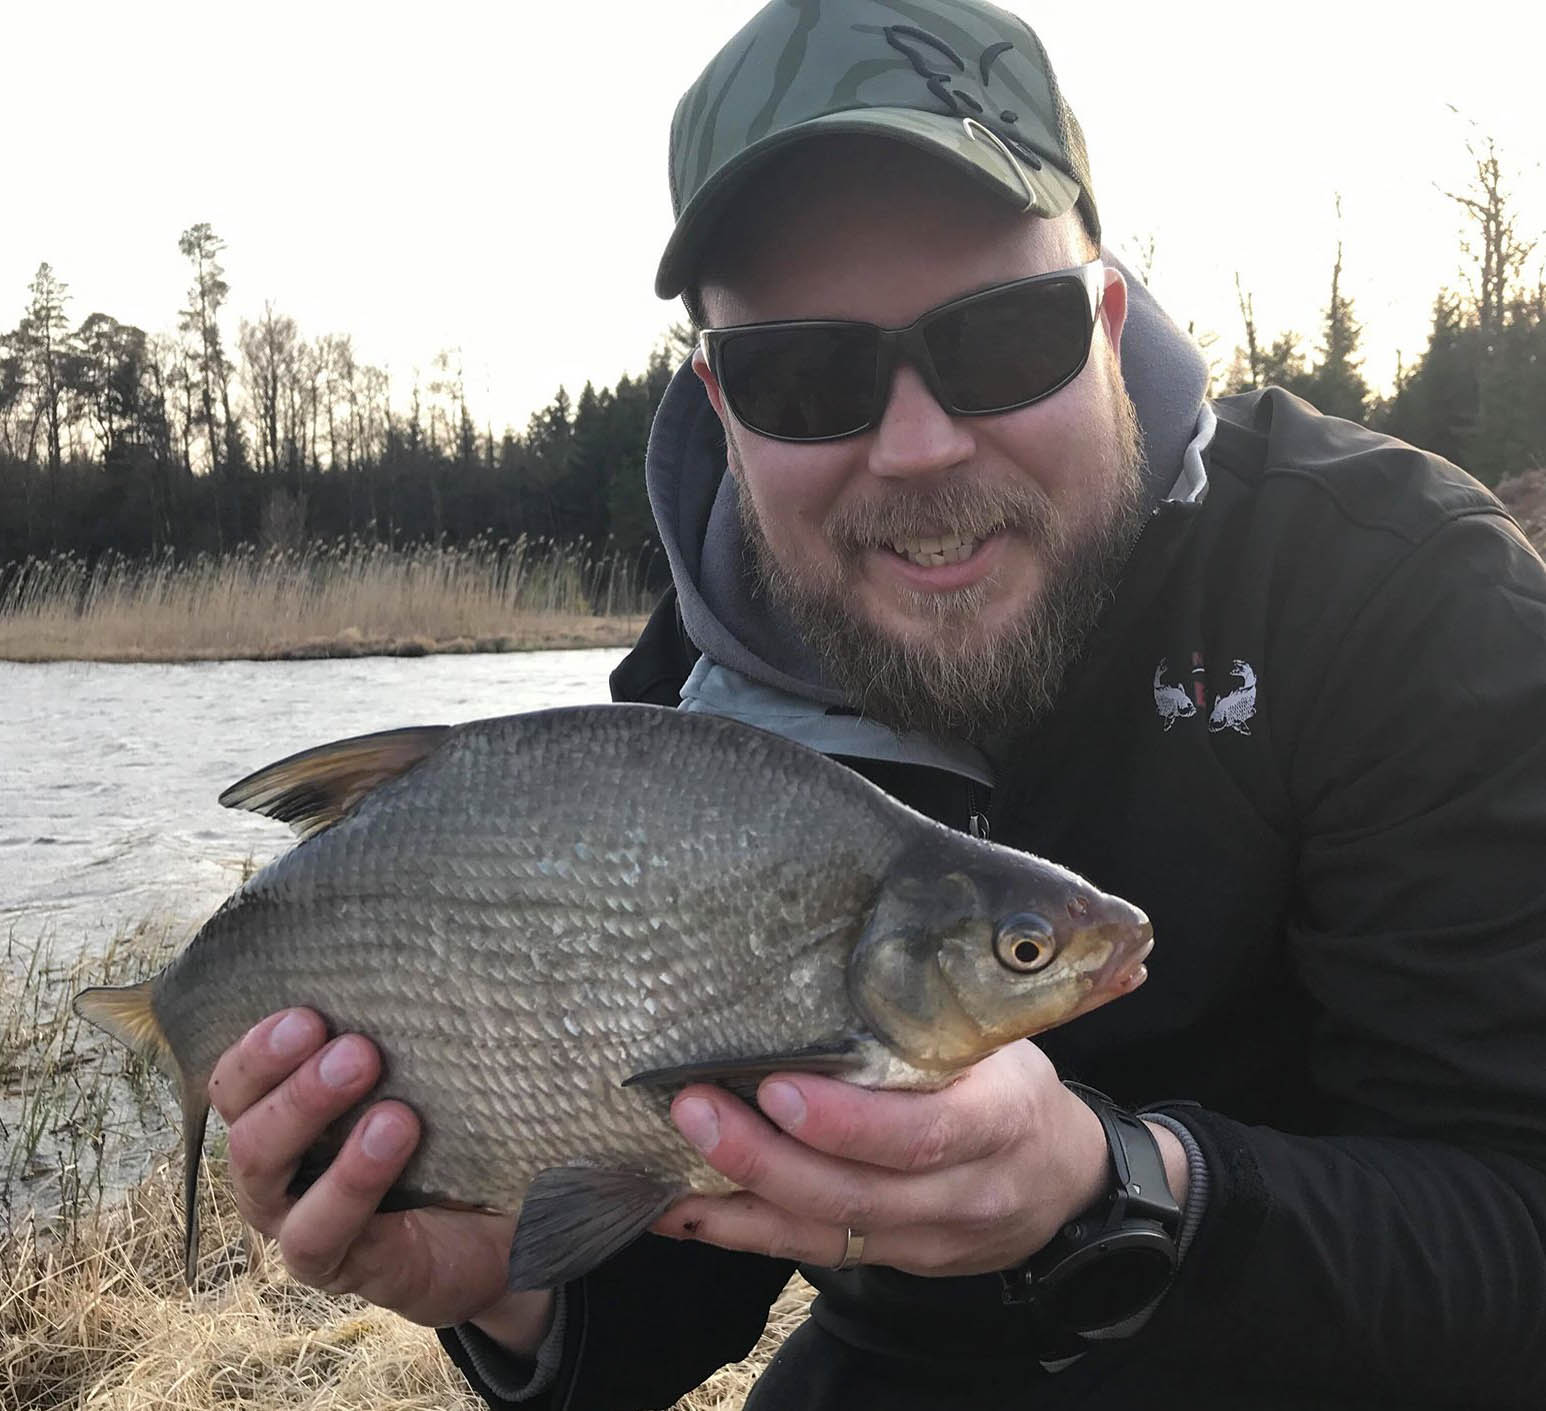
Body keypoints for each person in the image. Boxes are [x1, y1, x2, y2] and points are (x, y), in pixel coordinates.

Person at [206, 1, 1546, 1406]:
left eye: (1004, 338)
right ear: (721, 404)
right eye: (805, 375)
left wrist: (1121, 1198)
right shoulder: (696, 700)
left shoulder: (1399, 594)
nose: (917, 446)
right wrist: (515, 1289)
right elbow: (695, 1248)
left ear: (1103, 322)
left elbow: (1517, 1228)